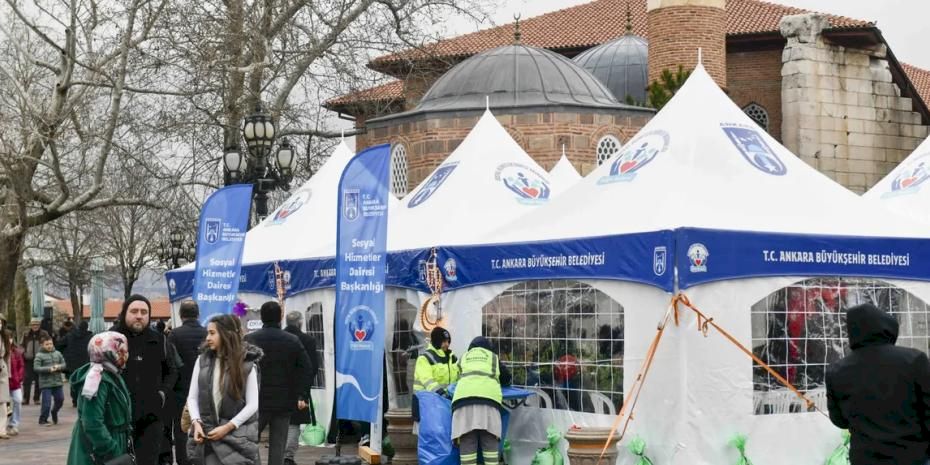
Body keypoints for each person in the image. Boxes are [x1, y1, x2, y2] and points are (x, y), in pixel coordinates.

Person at [826, 303, 930, 465]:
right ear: (886, 326)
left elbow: (840, 420)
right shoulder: (915, 360)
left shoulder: (837, 371)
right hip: (912, 456)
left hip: (865, 458)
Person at [187, 314, 262, 465]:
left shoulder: (247, 364)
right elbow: (192, 397)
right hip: (208, 435)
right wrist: (196, 423)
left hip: (238, 438)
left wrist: (228, 427)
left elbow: (253, 405)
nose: (207, 337)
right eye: (208, 332)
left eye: (212, 333)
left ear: (227, 334)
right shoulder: (201, 361)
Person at [244, 302, 311, 465]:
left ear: (261, 317)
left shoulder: (250, 339)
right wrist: (301, 393)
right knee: (278, 447)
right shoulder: (292, 340)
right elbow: (306, 368)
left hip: (256, 401)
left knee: (250, 441)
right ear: (280, 317)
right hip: (284, 401)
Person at [116, 294, 179, 465]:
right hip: (118, 417)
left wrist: (162, 394)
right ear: (124, 313)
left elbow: (172, 371)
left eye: (144, 312)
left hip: (151, 417)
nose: (139, 315)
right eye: (134, 311)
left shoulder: (159, 340)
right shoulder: (112, 338)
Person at [66, 331, 133, 465]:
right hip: (99, 449)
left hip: (112, 442)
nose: (126, 355)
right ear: (110, 353)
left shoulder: (111, 373)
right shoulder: (97, 379)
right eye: (121, 351)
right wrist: (111, 449)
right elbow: (92, 422)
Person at [451, 336, 511, 465]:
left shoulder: (463, 357)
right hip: (488, 404)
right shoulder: (492, 357)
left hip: (463, 404)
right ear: (488, 348)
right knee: (490, 443)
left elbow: (453, 381)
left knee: (467, 443)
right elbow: (507, 378)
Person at [168, 300, 207, 465]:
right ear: (198, 314)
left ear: (180, 315)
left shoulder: (174, 335)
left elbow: (171, 363)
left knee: (181, 429)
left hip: (180, 388)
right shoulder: (207, 333)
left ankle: (183, 461)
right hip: (204, 387)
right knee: (204, 424)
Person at [283, 311, 319, 465]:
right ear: (300, 323)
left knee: (279, 421)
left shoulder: (280, 337)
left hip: (279, 387)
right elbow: (313, 367)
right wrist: (304, 391)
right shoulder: (308, 340)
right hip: (299, 387)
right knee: (294, 422)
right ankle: (287, 456)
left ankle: (280, 453)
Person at [414, 327, 460, 395]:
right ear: (437, 342)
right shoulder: (424, 359)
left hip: (444, 399)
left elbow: (458, 377)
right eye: (444, 341)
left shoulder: (452, 358)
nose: (447, 344)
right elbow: (428, 381)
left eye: (448, 341)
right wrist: (442, 393)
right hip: (425, 399)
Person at [34, 336, 66, 426]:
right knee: (46, 403)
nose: (49, 346)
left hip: (57, 382)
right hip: (45, 383)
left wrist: (59, 367)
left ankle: (54, 411)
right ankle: (43, 419)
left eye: (50, 344)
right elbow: (36, 368)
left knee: (60, 399)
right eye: (47, 344)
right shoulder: (39, 355)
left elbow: (64, 364)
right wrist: (49, 369)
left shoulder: (58, 353)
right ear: (42, 345)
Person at [60, 321, 93, 407]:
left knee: (74, 381)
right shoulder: (91, 337)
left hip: (72, 362)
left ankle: (74, 400)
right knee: (84, 381)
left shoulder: (69, 335)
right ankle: (82, 399)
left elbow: (59, 344)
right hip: (86, 362)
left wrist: (65, 353)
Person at [21, 318, 50, 405]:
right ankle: (25, 398)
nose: (35, 326)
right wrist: (24, 353)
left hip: (40, 359)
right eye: (33, 325)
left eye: (37, 325)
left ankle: (36, 398)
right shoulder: (26, 334)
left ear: (39, 325)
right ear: (30, 325)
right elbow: (21, 345)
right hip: (28, 360)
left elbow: (49, 343)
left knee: (39, 380)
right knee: (27, 380)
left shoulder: (44, 334)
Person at [8, 336, 25, 436]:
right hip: (4, 382)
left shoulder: (16, 352)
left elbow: (21, 366)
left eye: (10, 338)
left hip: (15, 382)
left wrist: (19, 377)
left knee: (18, 400)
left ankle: (14, 423)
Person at [0, 322, 11, 439]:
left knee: (3, 401)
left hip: (1, 368)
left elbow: (7, 354)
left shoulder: (4, 336)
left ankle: (2, 429)